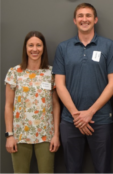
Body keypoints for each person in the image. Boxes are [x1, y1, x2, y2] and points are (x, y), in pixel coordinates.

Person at [52, 3, 113, 174]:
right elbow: (59, 85)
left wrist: (90, 112)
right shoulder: (63, 48)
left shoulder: (108, 46)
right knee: (72, 169)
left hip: (101, 119)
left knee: (102, 168)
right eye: (81, 16)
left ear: (95, 19)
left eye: (88, 15)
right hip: (70, 120)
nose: (85, 19)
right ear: (75, 20)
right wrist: (77, 115)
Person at [4, 31, 60, 174]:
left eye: (38, 45)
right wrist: (9, 135)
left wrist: (56, 135)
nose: (35, 49)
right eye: (31, 45)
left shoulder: (51, 73)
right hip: (20, 135)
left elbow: (55, 105)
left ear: (43, 48)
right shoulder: (14, 72)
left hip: (46, 134)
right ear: (25, 48)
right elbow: (8, 106)